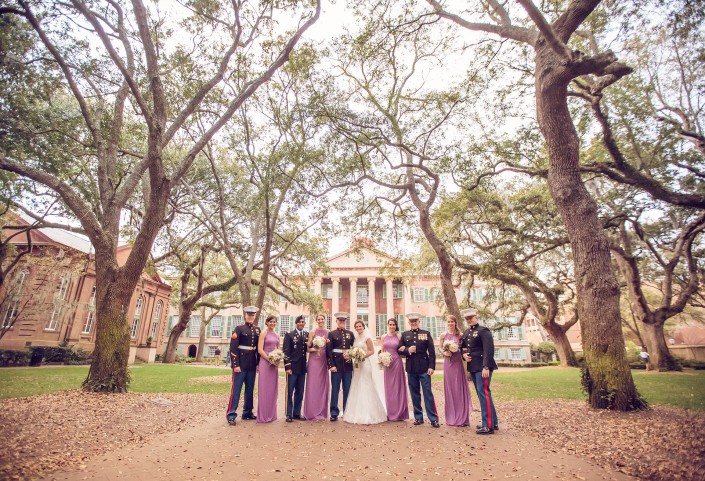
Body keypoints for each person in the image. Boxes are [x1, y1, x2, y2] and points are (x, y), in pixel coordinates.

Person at [398, 312, 440, 428]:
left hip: (424, 368)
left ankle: (433, 419)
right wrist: (407, 350)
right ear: (409, 323)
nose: (414, 323)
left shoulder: (426, 334)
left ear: (419, 321)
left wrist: (431, 366)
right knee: (415, 394)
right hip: (411, 368)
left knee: (428, 394)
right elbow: (398, 350)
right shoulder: (405, 334)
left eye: (415, 321)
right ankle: (418, 417)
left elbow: (432, 352)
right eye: (412, 321)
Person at [460, 308, 498, 435]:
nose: (469, 320)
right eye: (467, 318)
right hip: (473, 367)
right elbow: (462, 348)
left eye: (471, 317)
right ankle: (493, 422)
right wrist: (463, 355)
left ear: (476, 317)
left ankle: (488, 426)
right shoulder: (466, 333)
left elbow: (489, 349)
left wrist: (486, 366)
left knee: (484, 394)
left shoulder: (483, 330)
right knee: (483, 394)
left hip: (483, 367)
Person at [344, 320, 387, 424]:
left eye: (360, 326)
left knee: (366, 385)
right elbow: (353, 349)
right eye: (357, 327)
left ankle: (369, 413)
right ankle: (356, 413)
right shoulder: (356, 338)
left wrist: (362, 356)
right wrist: (352, 355)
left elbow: (372, 351)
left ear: (363, 327)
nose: (358, 328)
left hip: (365, 364)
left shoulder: (367, 338)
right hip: (357, 365)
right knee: (357, 385)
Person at [226, 306, 261, 425]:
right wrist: (235, 364)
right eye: (249, 315)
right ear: (245, 315)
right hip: (240, 364)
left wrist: (258, 364)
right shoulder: (239, 328)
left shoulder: (257, 330)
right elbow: (233, 347)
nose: (251, 317)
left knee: (250, 390)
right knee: (236, 390)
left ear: (255, 316)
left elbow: (257, 349)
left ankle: (247, 412)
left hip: (251, 364)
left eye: (253, 315)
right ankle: (231, 414)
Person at [440, 315, 471, 427]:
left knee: (458, 389)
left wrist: (462, 353)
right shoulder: (443, 335)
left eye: (452, 321)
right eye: (448, 321)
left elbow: (464, 348)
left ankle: (462, 417)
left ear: (455, 322)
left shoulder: (460, 335)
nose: (450, 323)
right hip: (448, 364)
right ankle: (451, 417)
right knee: (450, 389)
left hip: (457, 363)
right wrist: (444, 353)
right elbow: (439, 347)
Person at [326, 312, 354, 421]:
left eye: (343, 321)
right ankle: (334, 412)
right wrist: (331, 365)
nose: (342, 322)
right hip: (336, 366)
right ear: (336, 321)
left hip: (347, 366)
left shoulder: (350, 334)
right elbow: (329, 351)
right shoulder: (332, 334)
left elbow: (353, 348)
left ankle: (347, 411)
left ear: (345, 322)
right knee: (335, 389)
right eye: (340, 321)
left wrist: (350, 354)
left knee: (347, 389)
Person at [381, 317, 409, 421]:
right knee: (389, 389)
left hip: (397, 363)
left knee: (397, 388)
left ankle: (399, 413)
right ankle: (390, 412)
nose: (392, 326)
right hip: (387, 365)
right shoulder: (383, 337)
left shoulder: (399, 336)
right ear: (387, 325)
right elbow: (382, 350)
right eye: (390, 324)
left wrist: (401, 354)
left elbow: (402, 350)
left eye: (393, 324)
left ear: (396, 326)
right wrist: (382, 359)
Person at [303, 313, 330, 420]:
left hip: (323, 360)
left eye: (322, 319)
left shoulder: (328, 332)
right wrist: (316, 349)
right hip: (314, 361)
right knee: (312, 385)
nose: (320, 321)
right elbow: (308, 349)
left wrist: (327, 343)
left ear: (325, 320)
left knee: (323, 386)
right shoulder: (312, 332)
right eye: (318, 319)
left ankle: (322, 412)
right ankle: (311, 412)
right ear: (316, 320)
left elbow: (330, 348)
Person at [283, 315, 308, 421]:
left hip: (302, 367)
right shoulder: (289, 335)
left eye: (303, 322)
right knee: (290, 390)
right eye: (300, 322)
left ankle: (297, 413)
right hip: (292, 367)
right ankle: (289, 414)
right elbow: (286, 351)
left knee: (300, 391)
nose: (301, 323)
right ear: (296, 323)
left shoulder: (307, 335)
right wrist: (287, 366)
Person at [257, 315, 281, 423]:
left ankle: (271, 414)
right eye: (270, 321)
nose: (272, 323)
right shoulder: (263, 333)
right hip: (265, 362)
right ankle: (263, 415)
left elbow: (278, 349)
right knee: (264, 388)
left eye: (274, 322)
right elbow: (260, 350)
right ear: (267, 322)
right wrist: (269, 359)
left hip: (273, 365)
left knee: (272, 389)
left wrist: (277, 358)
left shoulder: (277, 335)